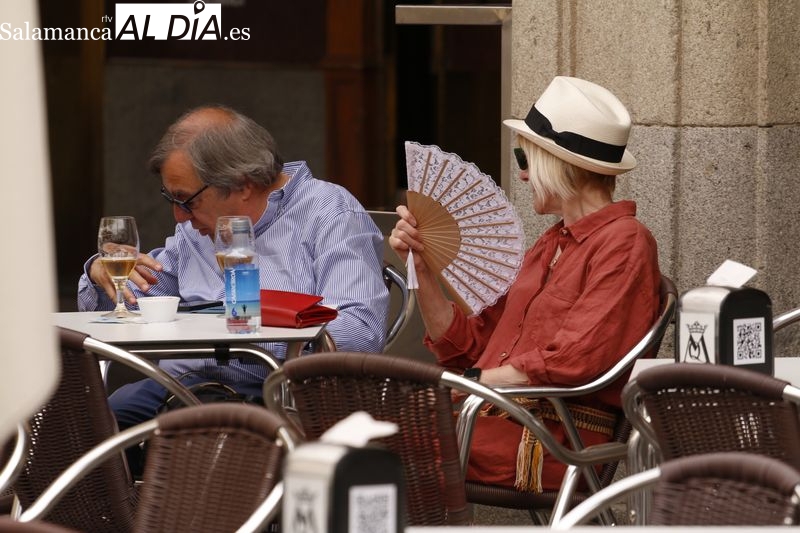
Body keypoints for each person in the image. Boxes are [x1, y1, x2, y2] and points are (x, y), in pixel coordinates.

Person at [389, 76, 661, 492]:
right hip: (495, 417)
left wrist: (466, 384)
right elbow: (468, 347)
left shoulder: (625, 241)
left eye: (525, 157)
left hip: (552, 438)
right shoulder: (550, 244)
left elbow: (572, 362)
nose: (521, 174)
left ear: (560, 163)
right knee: (354, 427)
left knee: (373, 443)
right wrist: (422, 269)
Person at [78, 104, 390, 429]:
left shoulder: (328, 213)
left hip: (279, 393)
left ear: (243, 185)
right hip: (180, 386)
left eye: (187, 201)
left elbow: (361, 333)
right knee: (84, 426)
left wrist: (248, 335)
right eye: (171, 199)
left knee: (197, 432)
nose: (179, 217)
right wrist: (103, 279)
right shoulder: (195, 230)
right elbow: (132, 306)